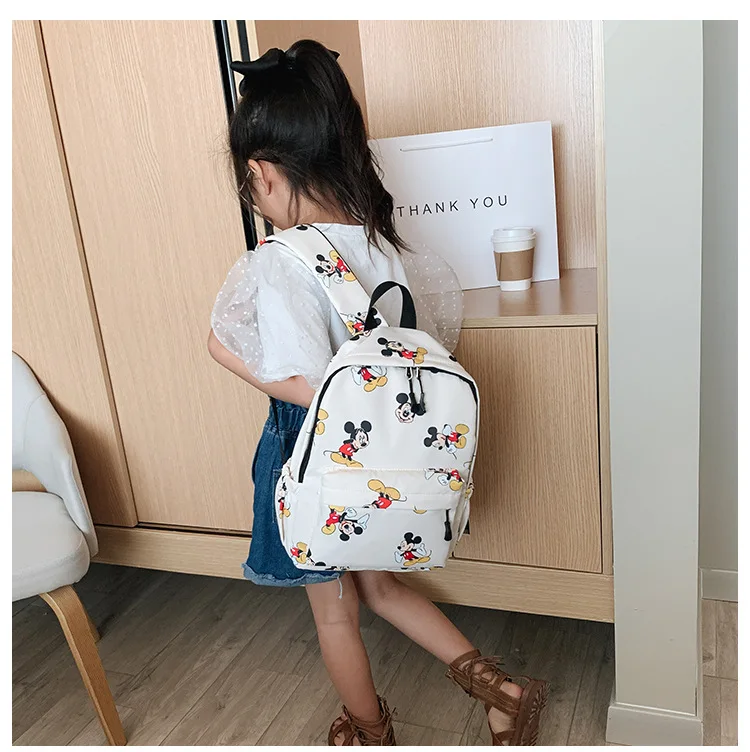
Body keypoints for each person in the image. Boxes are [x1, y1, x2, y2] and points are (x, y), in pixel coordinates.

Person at [208, 40, 548, 746]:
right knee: (382, 586)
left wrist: (227, 356)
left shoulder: (282, 262)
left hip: (318, 459)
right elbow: (418, 348)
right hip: (389, 458)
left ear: (261, 173)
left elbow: (313, 388)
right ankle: (505, 695)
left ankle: (367, 730)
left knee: (336, 611)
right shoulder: (383, 247)